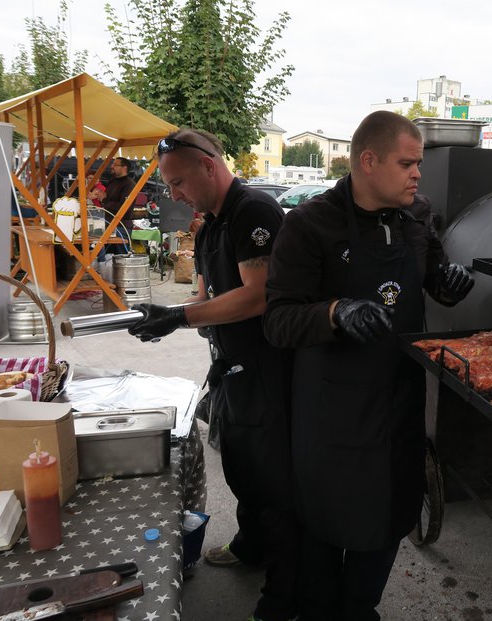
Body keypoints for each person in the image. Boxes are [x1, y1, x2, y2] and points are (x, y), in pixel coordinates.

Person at [263, 110, 475, 621]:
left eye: (418, 164)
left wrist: (447, 284)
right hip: (331, 407)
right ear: (368, 161)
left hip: (398, 398)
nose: (417, 174)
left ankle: (360, 608)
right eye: (407, 163)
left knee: (389, 512)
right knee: (326, 518)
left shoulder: (418, 216)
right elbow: (277, 320)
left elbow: (431, 274)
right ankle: (320, 608)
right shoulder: (310, 224)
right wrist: (335, 312)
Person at [127, 129, 296, 621]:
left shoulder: (255, 211)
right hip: (230, 369)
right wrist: (164, 315)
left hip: (268, 371)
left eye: (178, 182)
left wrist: (180, 318)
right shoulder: (208, 227)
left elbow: (257, 294)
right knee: (241, 468)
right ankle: (252, 546)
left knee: (274, 486)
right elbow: (206, 299)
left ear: (208, 165)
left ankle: (284, 596)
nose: (175, 195)